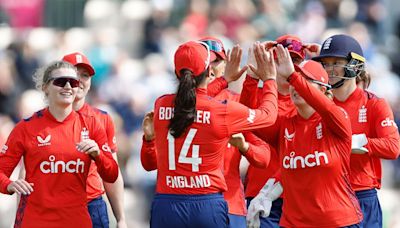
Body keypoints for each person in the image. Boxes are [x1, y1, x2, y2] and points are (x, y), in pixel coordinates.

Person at [141, 36, 271, 228]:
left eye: (216, 60)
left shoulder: (170, 105)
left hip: (228, 205)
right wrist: (149, 140)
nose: (213, 66)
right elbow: (150, 164)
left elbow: (264, 158)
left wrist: (244, 147)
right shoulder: (180, 106)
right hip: (203, 204)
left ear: (225, 64)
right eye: (209, 61)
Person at [242, 44, 363, 227]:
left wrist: (292, 76)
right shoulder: (283, 125)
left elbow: (326, 107)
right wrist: (253, 78)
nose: (296, 85)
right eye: (296, 80)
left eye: (307, 80)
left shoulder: (337, 118)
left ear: (323, 89)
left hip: (338, 223)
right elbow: (247, 117)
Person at [0, 61, 118, 228]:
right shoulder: (25, 128)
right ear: (45, 87)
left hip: (77, 220)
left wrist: (98, 156)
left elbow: (112, 174)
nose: (68, 86)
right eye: (61, 81)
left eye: (74, 82)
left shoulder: (91, 125)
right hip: (37, 221)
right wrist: (9, 185)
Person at [313, 34, 400, 228]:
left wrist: (354, 142)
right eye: (325, 64)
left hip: (362, 194)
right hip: (326, 195)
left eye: (336, 62)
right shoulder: (316, 107)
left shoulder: (374, 104)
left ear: (354, 65)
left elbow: (393, 147)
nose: (329, 69)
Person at [243, 35, 305, 227]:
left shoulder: (308, 101)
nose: (287, 64)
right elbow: (242, 118)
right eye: (280, 58)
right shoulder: (260, 95)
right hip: (262, 192)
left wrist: (324, 59)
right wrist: (253, 74)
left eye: (294, 59)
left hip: (299, 196)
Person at [62, 52, 127, 228]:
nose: (80, 80)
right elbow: (28, 172)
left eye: (85, 75)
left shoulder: (102, 119)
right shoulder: (41, 121)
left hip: (92, 205)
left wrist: (121, 218)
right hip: (54, 207)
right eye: (74, 74)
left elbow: (112, 172)